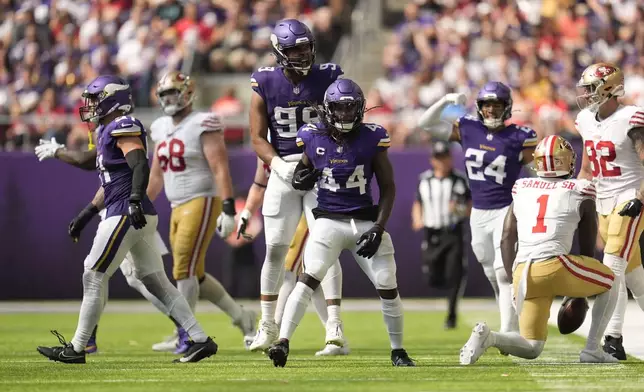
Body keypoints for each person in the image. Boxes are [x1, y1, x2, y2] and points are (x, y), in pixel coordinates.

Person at [35, 75, 217, 364]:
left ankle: (78, 347)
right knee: (156, 282)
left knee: (93, 273)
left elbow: (139, 164)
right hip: (129, 210)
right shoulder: (109, 129)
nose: (91, 105)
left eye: (95, 99)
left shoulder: (122, 125)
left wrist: (133, 199)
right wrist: (60, 156)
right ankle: (200, 339)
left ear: (112, 98)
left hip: (125, 211)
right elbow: (89, 162)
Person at [267, 78, 415, 368]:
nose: (346, 115)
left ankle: (398, 350)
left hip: (364, 222)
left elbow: (388, 187)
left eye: (350, 109)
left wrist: (379, 227)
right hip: (329, 222)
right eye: (340, 109)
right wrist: (300, 177)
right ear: (328, 109)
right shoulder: (312, 135)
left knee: (387, 284)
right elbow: (302, 171)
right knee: (309, 277)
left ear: (360, 109)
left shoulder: (373, 137)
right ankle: (282, 342)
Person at [459, 135, 617, 365]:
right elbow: (586, 246)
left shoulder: (523, 187)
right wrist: (580, 293)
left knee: (532, 347)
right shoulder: (580, 189)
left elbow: (506, 237)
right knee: (611, 281)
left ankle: (490, 337)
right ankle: (593, 349)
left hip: (524, 272)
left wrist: (514, 277)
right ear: (567, 161)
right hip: (556, 265)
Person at [248, 18, 346, 352]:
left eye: (306, 46)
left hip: (321, 168)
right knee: (275, 249)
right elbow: (257, 139)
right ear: (279, 52)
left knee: (326, 245)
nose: (303, 54)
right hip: (284, 168)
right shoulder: (264, 81)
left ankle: (334, 326)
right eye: (295, 49)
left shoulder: (329, 76)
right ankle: (267, 324)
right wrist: (278, 166)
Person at [146, 71, 256, 352]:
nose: (169, 99)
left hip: (202, 199)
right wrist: (142, 203)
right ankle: (242, 317)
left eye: (174, 93)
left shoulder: (202, 122)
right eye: (165, 94)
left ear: (188, 93)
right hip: (176, 204)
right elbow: (157, 174)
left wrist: (229, 207)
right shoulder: (159, 127)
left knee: (183, 269)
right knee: (196, 273)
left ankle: (186, 332)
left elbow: (220, 167)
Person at [417, 82, 538, 336]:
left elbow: (539, 170)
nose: (491, 110)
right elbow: (425, 124)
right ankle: (510, 311)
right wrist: (446, 101)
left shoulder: (520, 136)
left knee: (502, 272)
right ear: (479, 107)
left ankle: (508, 330)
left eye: (497, 105)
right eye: (487, 105)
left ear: (507, 108)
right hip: (478, 214)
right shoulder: (468, 127)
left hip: (505, 210)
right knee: (489, 269)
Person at [237, 158, 350, 356]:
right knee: (309, 278)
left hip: (308, 207)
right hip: (287, 209)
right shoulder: (269, 146)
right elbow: (260, 182)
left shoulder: (301, 144)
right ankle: (335, 337)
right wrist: (247, 211)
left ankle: (275, 328)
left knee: (293, 269)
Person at [575, 62, 644, 361]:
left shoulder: (631, 117)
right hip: (603, 200)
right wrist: (575, 194)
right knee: (634, 274)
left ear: (608, 87)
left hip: (629, 198)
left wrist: (641, 197)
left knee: (612, 266)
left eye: (592, 88)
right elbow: (587, 167)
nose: (587, 94)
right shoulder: (584, 119)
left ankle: (612, 339)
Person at [411, 140, 471, 329]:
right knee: (433, 276)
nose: (442, 162)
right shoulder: (424, 179)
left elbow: (468, 207)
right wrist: (417, 219)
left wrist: (458, 210)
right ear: (432, 160)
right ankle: (443, 287)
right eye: (438, 158)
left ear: (450, 159)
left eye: (444, 157)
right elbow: (418, 202)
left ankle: (451, 315)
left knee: (455, 274)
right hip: (431, 232)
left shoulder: (459, 180)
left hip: (452, 232)